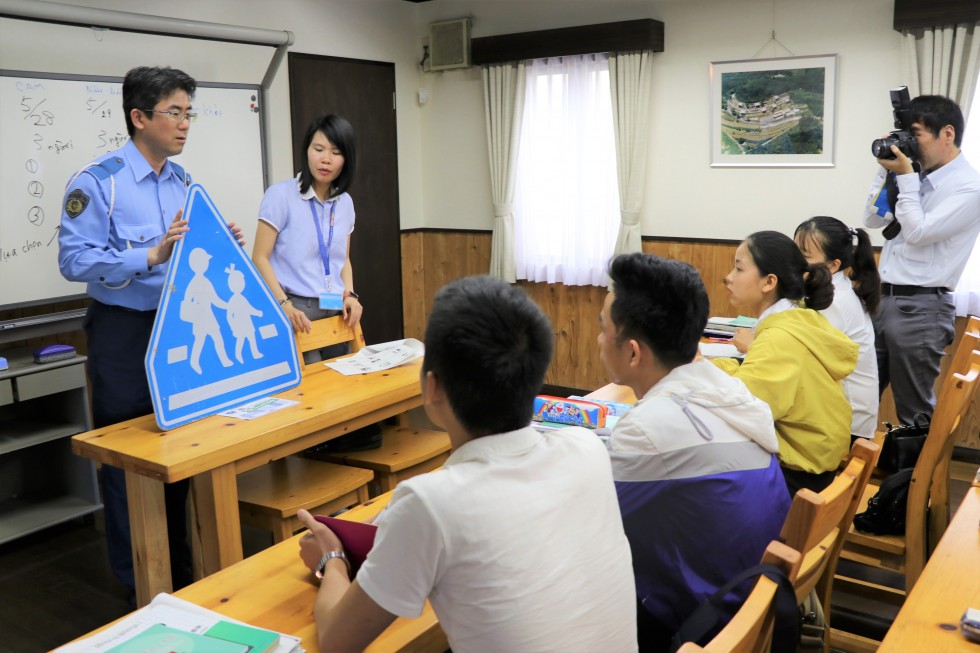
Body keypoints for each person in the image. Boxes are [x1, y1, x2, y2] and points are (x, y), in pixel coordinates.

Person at [295, 275, 638, 653]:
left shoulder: (430, 503)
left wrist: (332, 559)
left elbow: (335, 643)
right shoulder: (586, 449)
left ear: (431, 387)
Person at [58, 66, 243, 595]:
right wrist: (151, 254)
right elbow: (73, 260)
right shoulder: (99, 182)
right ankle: (137, 583)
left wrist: (217, 239)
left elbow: (189, 257)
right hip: (121, 333)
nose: (185, 124)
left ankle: (178, 575)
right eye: (174, 113)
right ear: (139, 117)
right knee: (128, 462)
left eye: (189, 113)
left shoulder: (184, 182)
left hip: (175, 329)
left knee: (179, 445)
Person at [598, 253, 791, 651]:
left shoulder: (650, 428)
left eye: (603, 328)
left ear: (633, 352)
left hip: (697, 626)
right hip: (749, 603)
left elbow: (585, 527)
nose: (599, 340)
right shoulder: (727, 391)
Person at [862, 94, 980, 425]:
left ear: (947, 134)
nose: (910, 144)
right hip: (882, 299)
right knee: (859, 393)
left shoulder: (969, 187)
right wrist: (888, 172)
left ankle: (912, 478)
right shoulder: (915, 176)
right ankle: (856, 473)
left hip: (921, 308)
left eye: (916, 134)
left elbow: (917, 232)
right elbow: (871, 219)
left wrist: (907, 178)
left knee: (913, 411)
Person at [713, 231, 858, 497]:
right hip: (816, 468)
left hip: (796, 479)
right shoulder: (798, 317)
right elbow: (756, 377)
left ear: (769, 282)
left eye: (738, 268)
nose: (729, 277)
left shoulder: (779, 337)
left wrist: (701, 371)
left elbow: (745, 408)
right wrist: (716, 368)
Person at [252, 113, 362, 363]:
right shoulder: (280, 195)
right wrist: (284, 305)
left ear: (346, 159)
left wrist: (351, 296)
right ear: (307, 150)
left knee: (340, 385)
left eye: (335, 152)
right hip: (296, 309)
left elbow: (343, 259)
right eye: (318, 149)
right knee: (312, 385)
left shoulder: (345, 203)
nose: (325, 159)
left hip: (336, 309)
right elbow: (259, 257)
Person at [795, 216, 881, 444]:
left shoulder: (833, 300)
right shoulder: (834, 289)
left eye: (804, 255)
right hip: (844, 410)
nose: (795, 261)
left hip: (848, 423)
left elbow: (806, 357)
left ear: (833, 265)